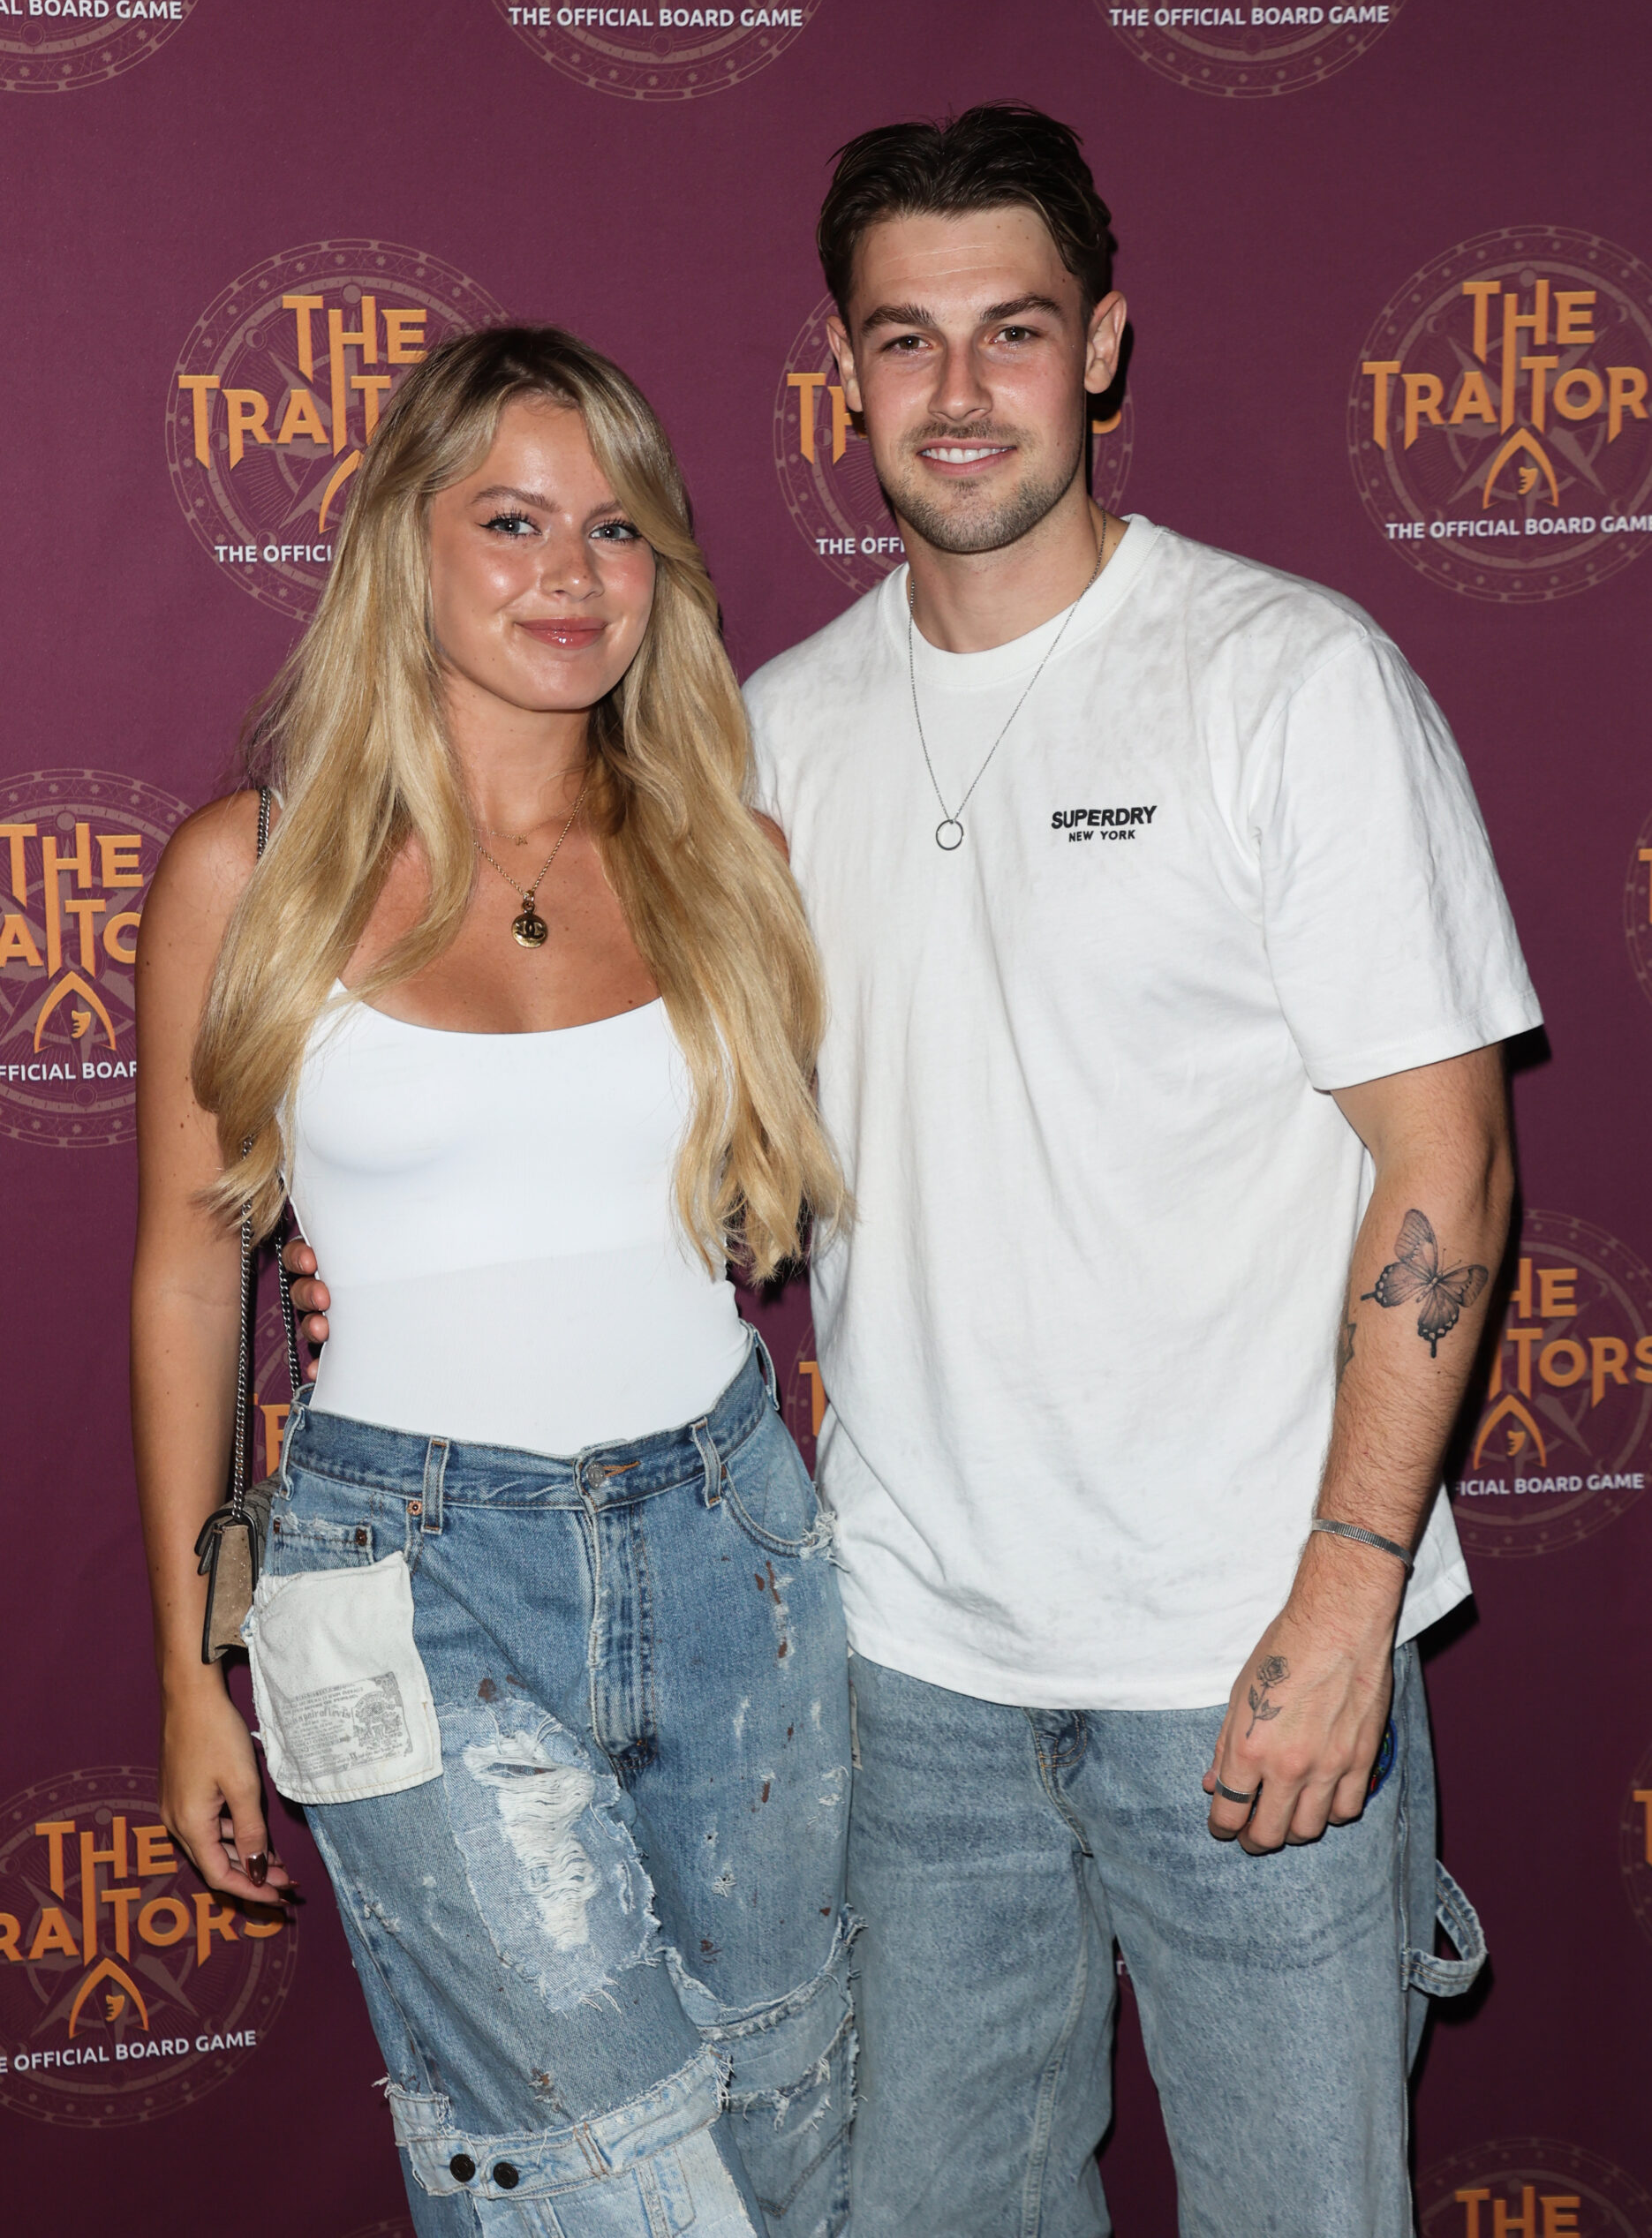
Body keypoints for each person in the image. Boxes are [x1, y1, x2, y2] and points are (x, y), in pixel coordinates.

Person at [291, 109, 1534, 2236]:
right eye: (907, 341)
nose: (962, 393)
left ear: (1105, 348)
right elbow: (639, 1109)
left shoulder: (1287, 681)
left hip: (1245, 1654)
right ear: (844, 377)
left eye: (1015, 332)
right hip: (902, 1676)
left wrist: (1348, 1595)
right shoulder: (750, 752)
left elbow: (1449, 1158)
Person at [132, 326, 856, 2238]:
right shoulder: (254, 865)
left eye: (617, 529)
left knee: (784, 2121)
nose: (570, 573)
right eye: (514, 519)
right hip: (403, 1574)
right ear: (407, 546)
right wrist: (192, 1665)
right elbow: (192, 1285)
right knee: (598, 2176)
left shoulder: (731, 855)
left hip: (735, 1546)